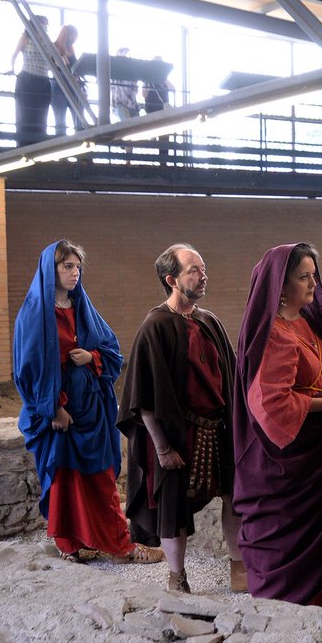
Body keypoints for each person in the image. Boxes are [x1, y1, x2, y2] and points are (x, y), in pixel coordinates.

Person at [233, 243, 322, 613]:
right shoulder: (275, 335)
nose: (313, 284)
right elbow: (268, 403)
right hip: (297, 464)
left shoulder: (307, 323)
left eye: (314, 276)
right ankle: (300, 613)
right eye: (303, 277)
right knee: (300, 543)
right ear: (281, 285)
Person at [12, 240, 163, 566]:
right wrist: (53, 409)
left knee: (101, 479)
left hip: (91, 414)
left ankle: (118, 544)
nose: (74, 273)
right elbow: (29, 367)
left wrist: (90, 357)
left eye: (77, 266)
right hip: (60, 417)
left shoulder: (82, 308)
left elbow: (111, 350)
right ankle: (72, 545)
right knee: (65, 482)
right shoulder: (35, 314)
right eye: (67, 266)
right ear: (50, 270)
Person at [117, 244, 246, 593]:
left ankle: (239, 570)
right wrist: (161, 447)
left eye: (203, 269)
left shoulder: (209, 321)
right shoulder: (154, 326)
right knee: (173, 510)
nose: (202, 275)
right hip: (177, 434)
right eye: (193, 270)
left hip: (217, 430)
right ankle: (177, 577)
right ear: (171, 278)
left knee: (235, 497)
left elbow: (232, 377)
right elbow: (142, 398)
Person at [10, 15, 53, 147]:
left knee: (41, 116)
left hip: (44, 80)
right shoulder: (26, 37)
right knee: (25, 114)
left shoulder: (47, 41)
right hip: (28, 78)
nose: (46, 27)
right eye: (43, 24)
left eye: (47, 25)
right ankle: (24, 144)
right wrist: (12, 69)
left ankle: (38, 144)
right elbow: (15, 54)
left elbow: (52, 60)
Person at [50, 24, 84, 136]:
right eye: (72, 36)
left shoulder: (71, 49)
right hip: (59, 84)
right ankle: (61, 140)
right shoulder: (54, 46)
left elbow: (74, 65)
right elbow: (56, 65)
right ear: (66, 35)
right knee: (60, 117)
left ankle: (81, 138)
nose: (73, 39)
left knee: (79, 116)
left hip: (73, 84)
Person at [111, 47, 140, 124]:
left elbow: (135, 91)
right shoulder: (113, 71)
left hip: (133, 105)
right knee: (129, 125)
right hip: (120, 105)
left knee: (138, 127)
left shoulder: (132, 74)